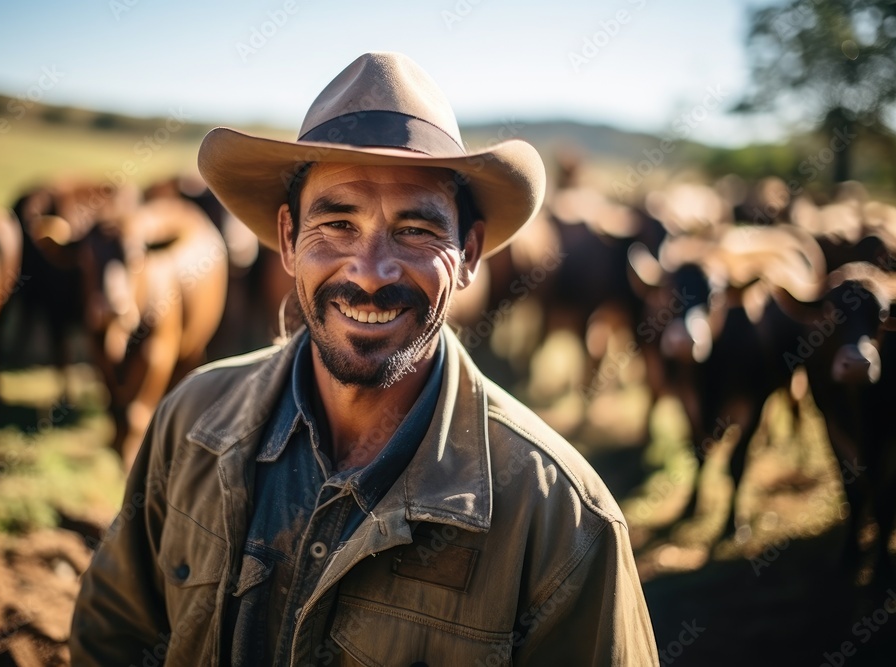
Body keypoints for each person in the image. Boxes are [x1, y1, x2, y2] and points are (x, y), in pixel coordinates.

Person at [70, 51, 659, 666]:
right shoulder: (189, 422)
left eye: (416, 230)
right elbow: (113, 636)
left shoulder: (559, 518)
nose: (371, 274)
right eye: (338, 224)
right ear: (288, 240)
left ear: (469, 255)